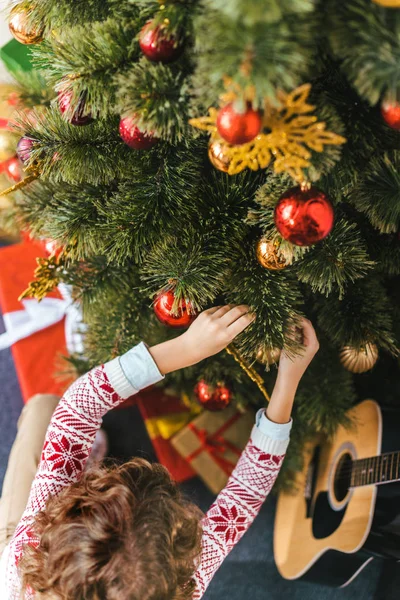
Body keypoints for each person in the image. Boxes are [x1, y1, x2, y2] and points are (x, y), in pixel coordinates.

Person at [0, 304, 319, 599]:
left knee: (44, 409)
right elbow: (241, 498)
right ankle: (82, 461)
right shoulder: (183, 582)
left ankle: (81, 461)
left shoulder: (32, 543)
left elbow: (78, 410)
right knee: (47, 414)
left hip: (19, 570)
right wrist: (288, 383)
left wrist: (186, 348)